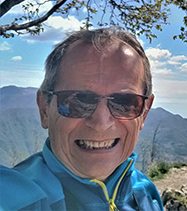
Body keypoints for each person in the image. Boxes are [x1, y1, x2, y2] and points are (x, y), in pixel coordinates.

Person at [0, 28, 164, 210]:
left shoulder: (146, 193)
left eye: (124, 102)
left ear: (144, 113)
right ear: (45, 109)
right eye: (78, 101)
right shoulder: (17, 201)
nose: (101, 123)